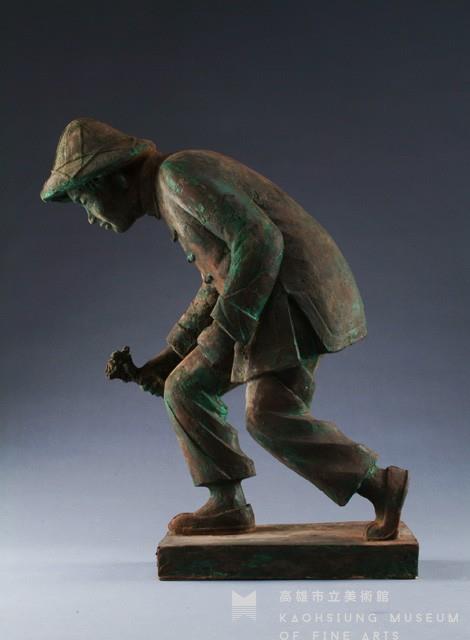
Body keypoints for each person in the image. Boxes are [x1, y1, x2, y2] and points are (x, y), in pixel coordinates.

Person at [40, 117, 409, 539]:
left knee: (190, 390)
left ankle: (229, 502)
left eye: (85, 199)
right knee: (265, 414)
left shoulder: (176, 177)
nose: (89, 217)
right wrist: (174, 352)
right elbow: (217, 278)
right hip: (287, 295)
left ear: (116, 180)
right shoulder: (172, 185)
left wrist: (226, 334)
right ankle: (378, 486)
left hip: (286, 298)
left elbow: (260, 241)